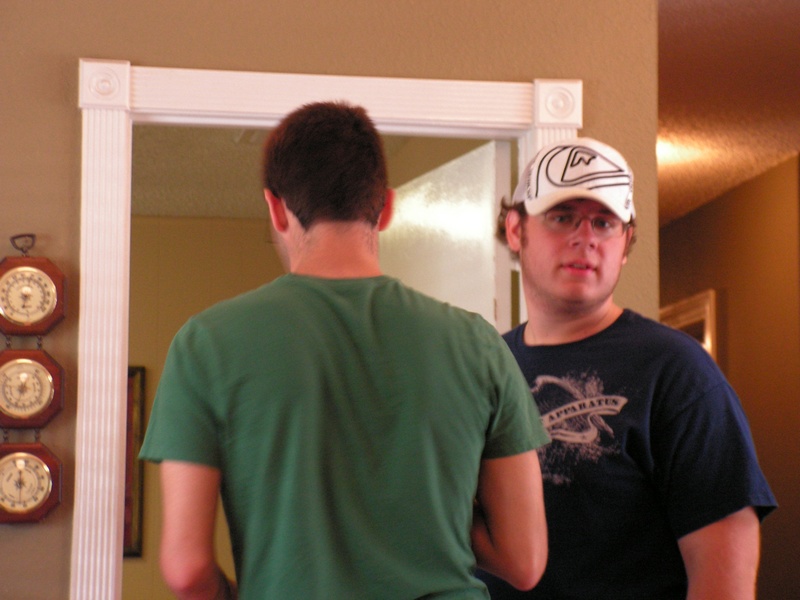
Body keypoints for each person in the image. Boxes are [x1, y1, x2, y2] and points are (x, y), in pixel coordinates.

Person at [139, 101, 550, 600]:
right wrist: (429, 509)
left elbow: (186, 570)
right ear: (386, 209)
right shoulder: (478, 343)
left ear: (276, 208)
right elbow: (524, 560)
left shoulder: (205, 344)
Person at [478, 137, 777, 599]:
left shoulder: (678, 372)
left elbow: (725, 582)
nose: (585, 237)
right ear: (516, 230)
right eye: (562, 217)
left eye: (604, 222)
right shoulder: (484, 367)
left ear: (625, 242)